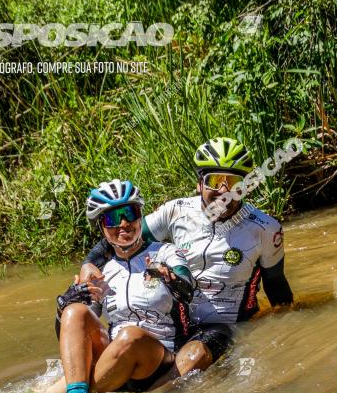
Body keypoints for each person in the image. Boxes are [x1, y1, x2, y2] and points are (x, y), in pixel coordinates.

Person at [80, 137, 293, 378]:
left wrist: (285, 331)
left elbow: (277, 286)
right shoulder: (176, 211)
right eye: (214, 181)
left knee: (189, 362)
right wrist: (89, 263)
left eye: (234, 182)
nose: (224, 191)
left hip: (225, 326)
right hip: (173, 324)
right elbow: (124, 236)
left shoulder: (266, 229)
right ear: (199, 184)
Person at [32, 179, 194, 393]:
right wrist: (64, 307)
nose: (122, 225)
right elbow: (73, 333)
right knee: (75, 312)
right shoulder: (102, 271)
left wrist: (170, 277)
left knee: (130, 336)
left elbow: (188, 288)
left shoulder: (166, 252)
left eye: (129, 214)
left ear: (140, 215)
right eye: (112, 219)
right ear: (101, 227)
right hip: (114, 356)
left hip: (156, 355)